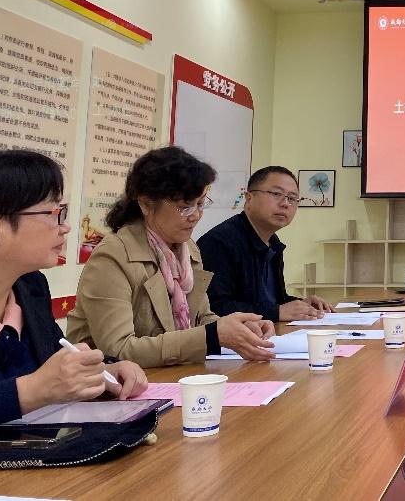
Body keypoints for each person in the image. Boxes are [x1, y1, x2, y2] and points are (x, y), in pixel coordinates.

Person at [67, 146, 276, 368]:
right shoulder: (113, 257)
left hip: (171, 376)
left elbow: (201, 319)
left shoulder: (188, 250)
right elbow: (118, 350)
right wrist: (213, 336)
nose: (196, 216)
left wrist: (241, 329)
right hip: (114, 384)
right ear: (146, 204)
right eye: (185, 207)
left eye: (200, 204)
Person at [0, 149, 147, 427]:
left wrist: (103, 370)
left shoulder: (31, 286)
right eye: (54, 213)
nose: (65, 227)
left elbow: (56, 358)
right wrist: (33, 390)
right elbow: (42, 385)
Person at [199, 166, 332, 321]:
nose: (285, 203)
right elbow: (214, 308)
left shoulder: (273, 244)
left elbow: (269, 302)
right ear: (249, 198)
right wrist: (276, 312)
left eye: (292, 198)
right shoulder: (219, 243)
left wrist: (302, 304)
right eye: (276, 194)